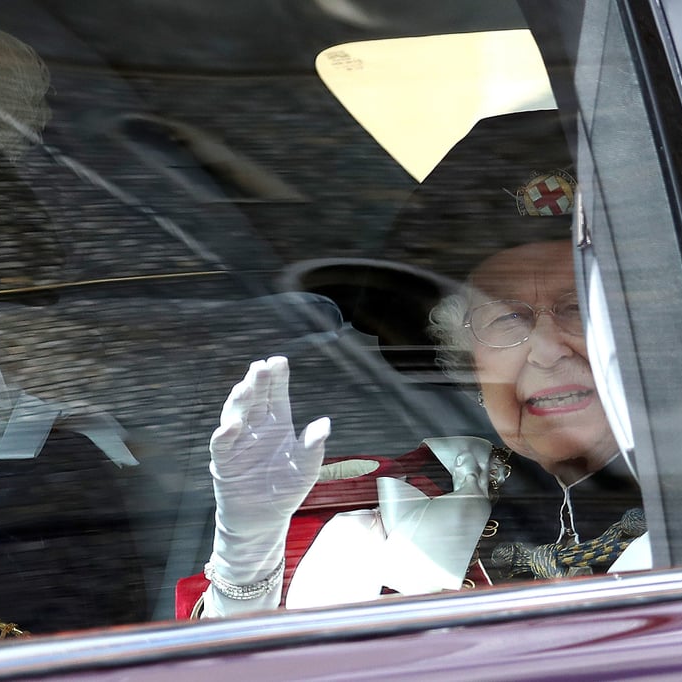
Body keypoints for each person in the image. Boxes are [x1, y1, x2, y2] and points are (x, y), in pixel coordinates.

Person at [176, 110, 650, 618]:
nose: (547, 349)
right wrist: (246, 562)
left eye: (579, 308)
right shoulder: (381, 508)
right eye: (506, 318)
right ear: (467, 357)